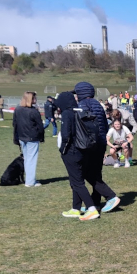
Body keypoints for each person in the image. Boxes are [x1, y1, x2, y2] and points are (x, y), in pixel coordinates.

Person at [74, 82, 120, 213]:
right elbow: (105, 125)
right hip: (100, 142)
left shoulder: (82, 105)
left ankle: (111, 196)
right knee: (96, 172)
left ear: (81, 93)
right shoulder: (98, 105)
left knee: (88, 173)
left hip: (89, 144)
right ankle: (96, 202)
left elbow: (83, 126)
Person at [56, 91, 99, 221]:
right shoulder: (79, 112)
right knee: (75, 180)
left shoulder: (66, 114)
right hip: (83, 150)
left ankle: (91, 209)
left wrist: (63, 150)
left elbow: (66, 135)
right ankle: (76, 208)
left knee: (77, 182)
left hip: (71, 152)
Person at [12, 91, 44, 187]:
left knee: (27, 159)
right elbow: (40, 126)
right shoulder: (33, 111)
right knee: (31, 159)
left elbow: (14, 124)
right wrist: (41, 136)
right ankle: (30, 182)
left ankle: (30, 179)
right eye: (34, 98)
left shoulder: (17, 109)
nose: (36, 100)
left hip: (22, 137)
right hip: (32, 137)